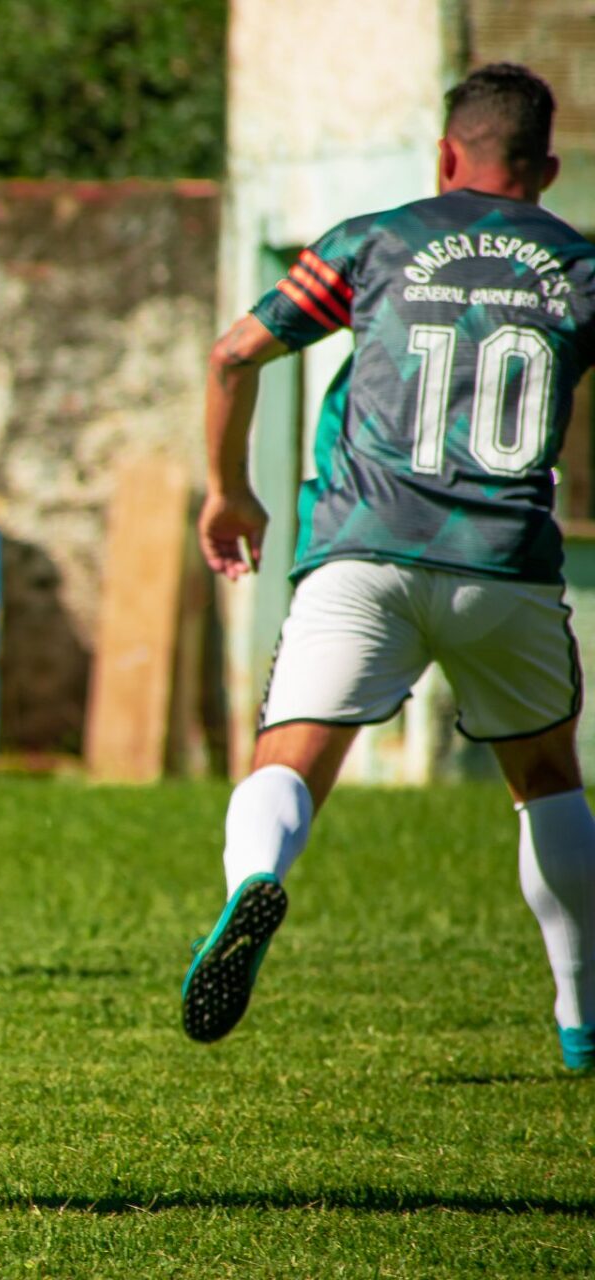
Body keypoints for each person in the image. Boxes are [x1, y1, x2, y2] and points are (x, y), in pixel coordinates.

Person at [181, 63, 595, 1071]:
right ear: (545, 166)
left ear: (446, 154)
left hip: (363, 552)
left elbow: (234, 354)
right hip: (504, 563)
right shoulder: (580, 264)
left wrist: (231, 491)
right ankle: (581, 1018)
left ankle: (253, 882)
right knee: (545, 780)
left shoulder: (378, 239)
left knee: (290, 763)